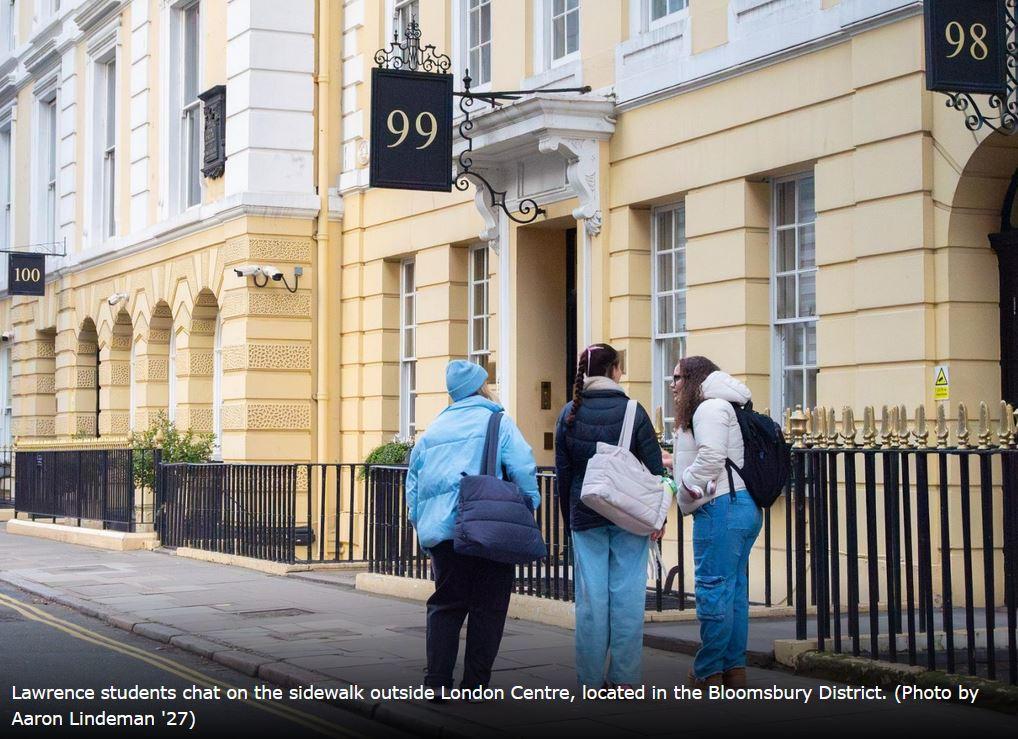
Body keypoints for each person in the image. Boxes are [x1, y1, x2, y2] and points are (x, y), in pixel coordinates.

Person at [406, 359, 539, 694]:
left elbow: (413, 486)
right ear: (482, 387)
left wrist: (421, 525)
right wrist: (528, 505)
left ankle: (436, 681)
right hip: (488, 529)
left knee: (446, 604)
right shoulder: (498, 421)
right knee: (488, 608)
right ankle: (475, 684)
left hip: (442, 534)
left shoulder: (432, 431)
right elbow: (522, 467)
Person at [554, 343, 665, 689]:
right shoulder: (634, 410)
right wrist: (658, 520)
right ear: (614, 369)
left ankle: (588, 679)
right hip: (628, 516)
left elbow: (564, 474)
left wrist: (568, 517)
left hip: (584, 515)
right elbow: (655, 470)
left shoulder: (569, 413)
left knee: (591, 602)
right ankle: (625, 679)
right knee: (628, 600)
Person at [670, 355, 760, 689]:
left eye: (678, 377)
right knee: (734, 591)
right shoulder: (726, 406)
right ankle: (733, 668)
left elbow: (711, 457)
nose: (673, 384)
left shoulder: (708, 408)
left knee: (712, 589)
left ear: (693, 378)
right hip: (742, 506)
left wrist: (685, 490)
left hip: (720, 508)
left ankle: (707, 670)